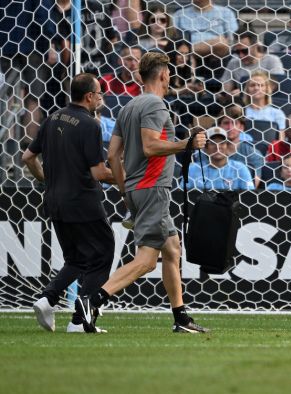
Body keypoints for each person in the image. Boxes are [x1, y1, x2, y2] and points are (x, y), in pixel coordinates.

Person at [77, 52, 209, 333]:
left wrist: (126, 189)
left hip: (138, 189)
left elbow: (113, 154)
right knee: (147, 261)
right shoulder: (156, 105)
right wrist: (186, 144)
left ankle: (181, 317)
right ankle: (93, 299)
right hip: (153, 189)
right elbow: (150, 147)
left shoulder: (129, 106)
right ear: (163, 75)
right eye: (169, 73)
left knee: (172, 249)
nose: (170, 77)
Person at [23, 73, 115, 333]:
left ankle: (47, 298)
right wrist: (124, 179)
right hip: (83, 202)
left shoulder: (52, 118)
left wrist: (45, 179)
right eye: (99, 93)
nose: (101, 98)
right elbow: (98, 173)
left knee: (76, 259)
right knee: (101, 256)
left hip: (54, 202)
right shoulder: (90, 125)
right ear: (89, 96)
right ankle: (80, 321)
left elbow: (28, 156)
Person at [173, 0, 238, 79]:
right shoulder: (180, 14)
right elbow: (174, 40)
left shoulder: (226, 12)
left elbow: (231, 41)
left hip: (218, 57)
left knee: (220, 42)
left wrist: (190, 51)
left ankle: (190, 53)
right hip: (186, 58)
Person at [182, 127, 255, 191]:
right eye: (213, 143)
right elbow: (180, 195)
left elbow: (249, 197)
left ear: (227, 146)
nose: (218, 147)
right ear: (205, 148)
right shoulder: (192, 169)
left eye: (222, 143)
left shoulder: (240, 168)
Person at [221, 32, 284, 96]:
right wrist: (223, 95)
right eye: (237, 52)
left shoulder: (272, 60)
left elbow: (274, 86)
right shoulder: (233, 62)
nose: (241, 56)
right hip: (240, 102)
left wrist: (244, 92)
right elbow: (225, 89)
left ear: (255, 46)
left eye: (244, 51)